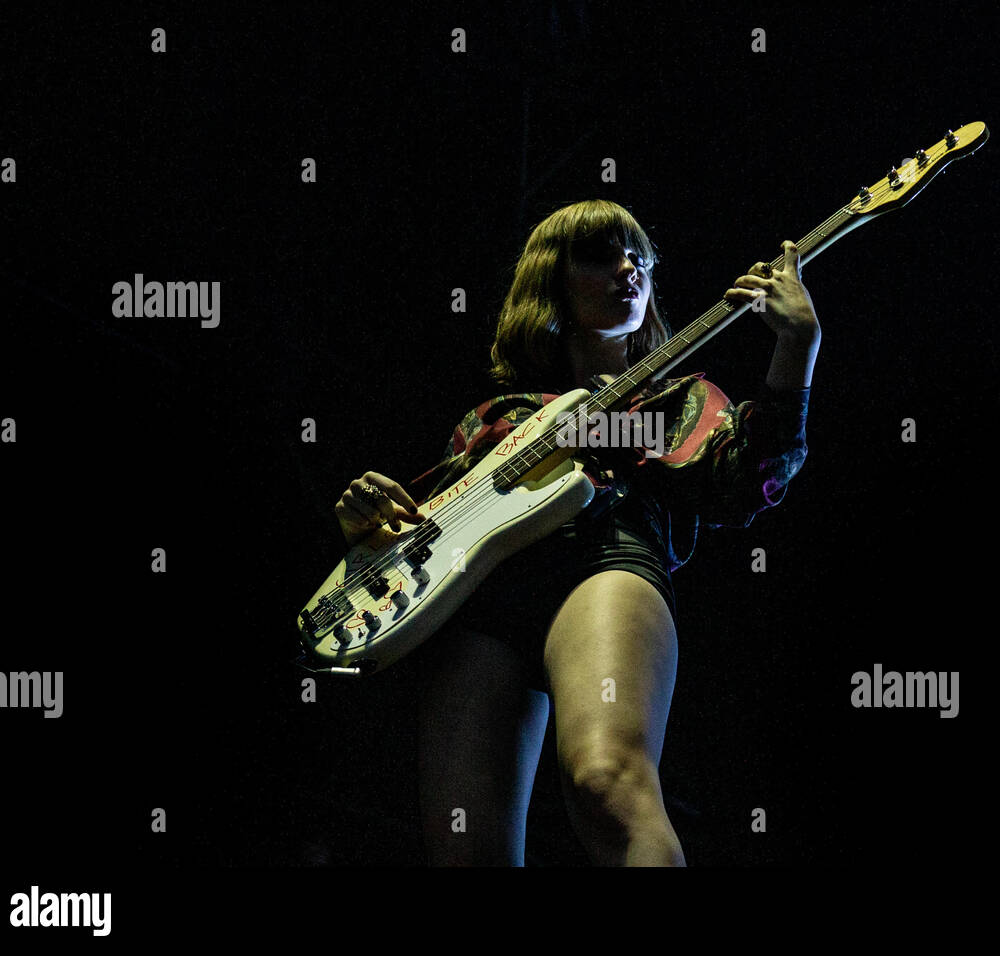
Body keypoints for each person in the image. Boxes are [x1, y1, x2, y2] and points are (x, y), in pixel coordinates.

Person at [333, 199, 819, 866]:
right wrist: (367, 518)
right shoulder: (494, 419)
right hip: (479, 600)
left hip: (604, 559)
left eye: (641, 259)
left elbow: (751, 480)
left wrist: (796, 347)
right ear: (551, 280)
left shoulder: (676, 401)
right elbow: (426, 529)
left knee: (606, 784)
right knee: (463, 850)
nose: (630, 271)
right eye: (602, 256)